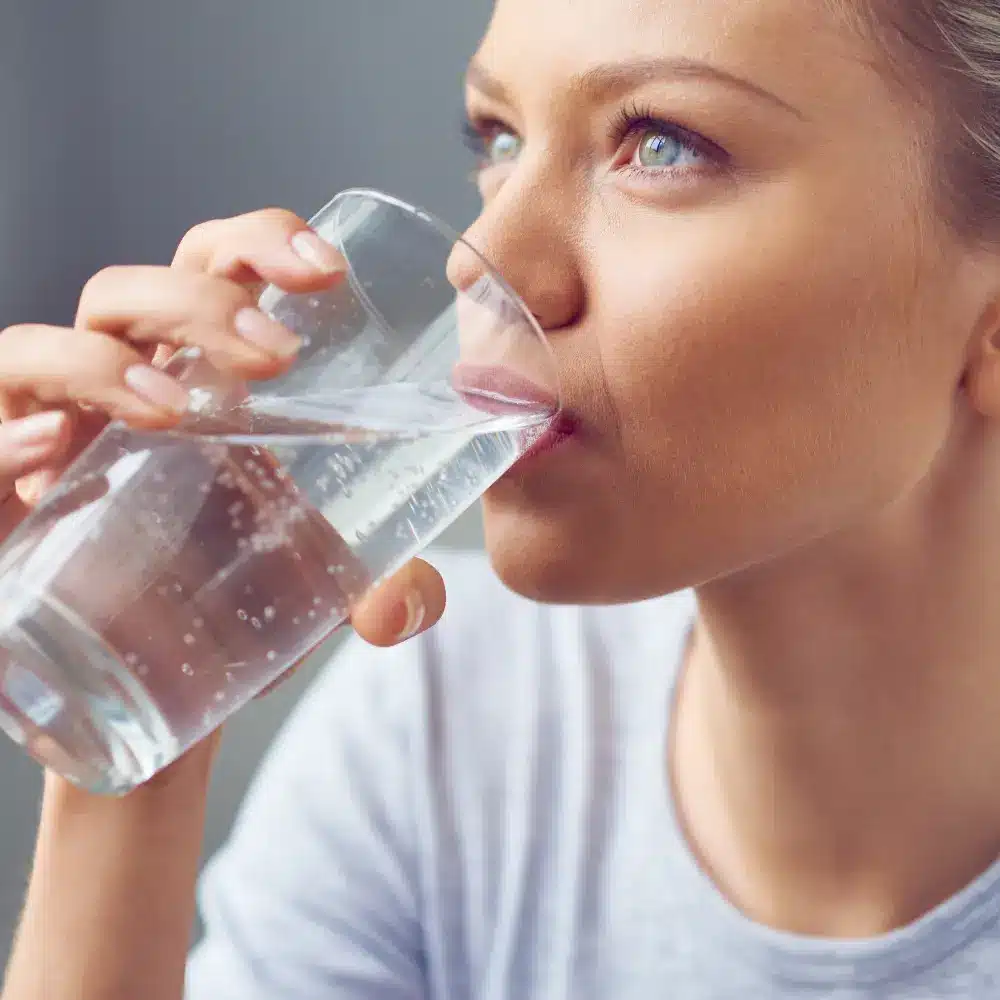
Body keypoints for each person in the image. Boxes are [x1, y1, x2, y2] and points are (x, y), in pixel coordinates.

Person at [3, 0, 1000, 995]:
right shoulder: (455, 721)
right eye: (500, 139)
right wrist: (144, 691)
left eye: (663, 145)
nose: (485, 259)